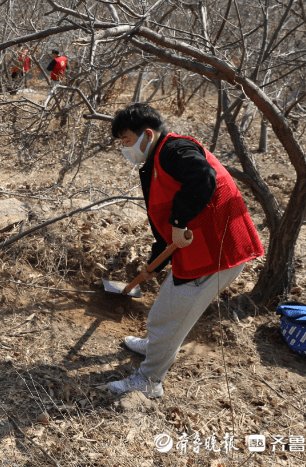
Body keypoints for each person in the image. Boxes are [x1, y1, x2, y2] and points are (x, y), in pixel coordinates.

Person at [104, 103, 264, 398]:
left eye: (127, 141)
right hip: (197, 248)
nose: (125, 148)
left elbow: (202, 177)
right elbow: (161, 218)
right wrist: (154, 261)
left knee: (170, 317)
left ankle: (150, 381)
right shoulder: (157, 158)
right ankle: (155, 345)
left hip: (215, 253)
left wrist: (179, 221)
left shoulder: (175, 150)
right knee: (165, 313)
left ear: (147, 134)